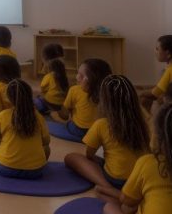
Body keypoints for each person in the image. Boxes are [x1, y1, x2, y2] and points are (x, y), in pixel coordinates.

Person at [65, 75, 151, 203]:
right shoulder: (144, 118)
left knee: (71, 158)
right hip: (142, 177)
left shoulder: (102, 124)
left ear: (104, 101)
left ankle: (110, 189)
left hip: (118, 180)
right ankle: (128, 195)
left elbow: (89, 154)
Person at [0, 80, 50, 179]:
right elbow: (46, 141)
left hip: (6, 169)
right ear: (30, 96)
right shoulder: (39, 117)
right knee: (47, 148)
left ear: (9, 98)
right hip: (35, 171)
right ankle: (35, 163)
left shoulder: (3, 115)